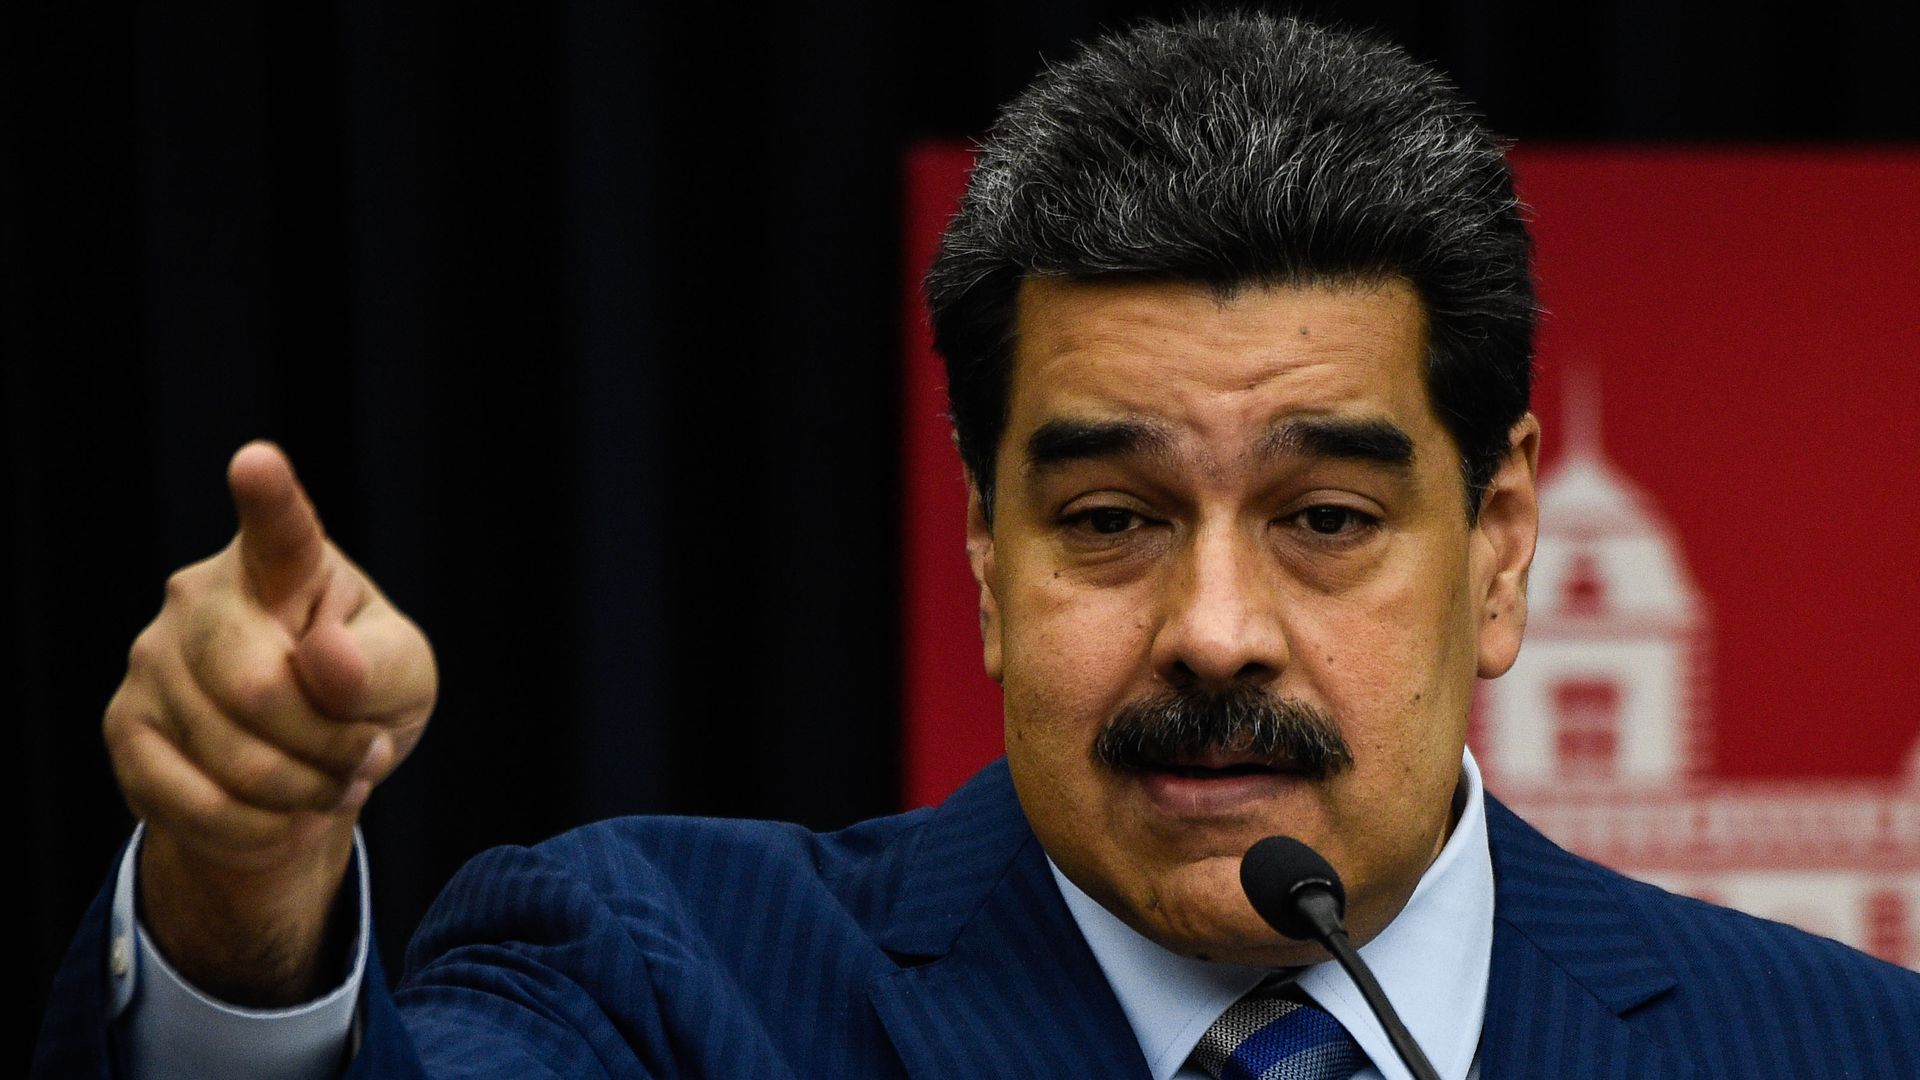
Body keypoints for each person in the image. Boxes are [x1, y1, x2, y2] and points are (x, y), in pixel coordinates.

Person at [34, 12, 1920, 1080]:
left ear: (1503, 547)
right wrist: (244, 899)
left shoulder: (1834, 1050)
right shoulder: (670, 985)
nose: (1212, 632)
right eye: (1109, 520)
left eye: (1326, 521)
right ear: (986, 554)